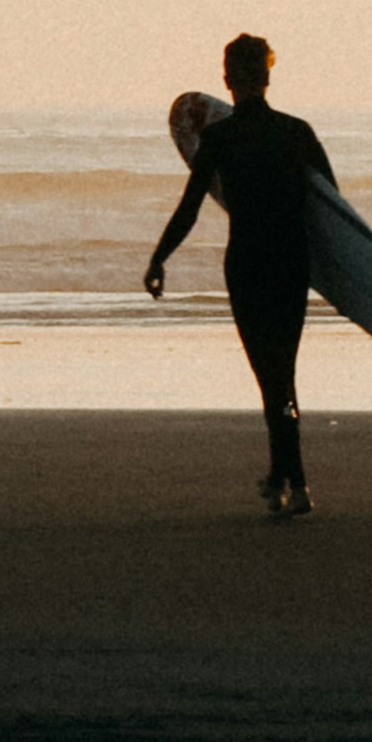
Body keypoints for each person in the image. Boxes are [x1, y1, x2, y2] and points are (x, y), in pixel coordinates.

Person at [144, 33, 336, 517]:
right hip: (291, 263)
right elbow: (333, 209)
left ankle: (294, 482)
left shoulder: (220, 137)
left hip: (249, 264)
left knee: (269, 376)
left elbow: (190, 206)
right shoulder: (298, 132)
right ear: (268, 76)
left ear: (227, 80)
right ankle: (285, 478)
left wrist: (159, 258)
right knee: (282, 371)